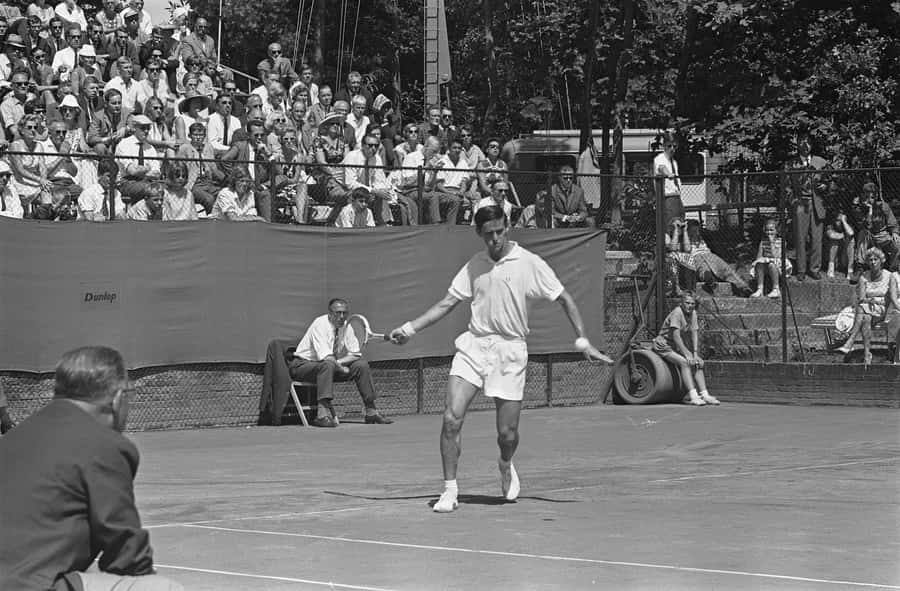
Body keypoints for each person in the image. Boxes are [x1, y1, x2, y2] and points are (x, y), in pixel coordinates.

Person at [388, 205, 611, 513]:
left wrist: (582, 341)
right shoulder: (474, 265)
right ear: (479, 234)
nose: (495, 238)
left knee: (507, 434)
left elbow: (564, 298)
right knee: (451, 418)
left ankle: (506, 464)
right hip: (474, 346)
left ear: (507, 227)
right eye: (488, 233)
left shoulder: (529, 263)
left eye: (500, 231)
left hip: (510, 352)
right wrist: (409, 329)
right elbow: (447, 303)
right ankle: (450, 490)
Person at [0, 345, 184, 591]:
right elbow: (125, 551)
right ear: (118, 399)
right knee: (161, 588)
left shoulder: (15, 438)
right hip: (27, 585)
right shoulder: (105, 445)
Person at [289, 298, 393, 427]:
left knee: (361, 365)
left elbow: (355, 354)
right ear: (330, 313)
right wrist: (340, 367)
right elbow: (326, 358)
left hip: (326, 367)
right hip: (302, 366)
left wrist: (338, 363)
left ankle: (371, 413)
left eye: (344, 313)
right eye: (338, 312)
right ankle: (322, 415)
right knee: (327, 365)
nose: (341, 316)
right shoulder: (320, 324)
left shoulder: (346, 326)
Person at [652, 291, 719, 406]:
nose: (690, 305)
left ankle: (705, 395)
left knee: (698, 362)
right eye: (687, 303)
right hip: (663, 345)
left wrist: (695, 353)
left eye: (692, 303)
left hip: (675, 346)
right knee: (685, 363)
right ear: (681, 303)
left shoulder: (693, 313)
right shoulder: (677, 313)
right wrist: (687, 354)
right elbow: (676, 336)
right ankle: (693, 396)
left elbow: (694, 333)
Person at [837, 247, 891, 366]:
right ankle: (867, 355)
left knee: (862, 309)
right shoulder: (863, 277)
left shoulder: (889, 276)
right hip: (867, 308)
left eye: (875, 259)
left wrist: (876, 302)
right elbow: (861, 298)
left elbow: (890, 298)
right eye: (870, 260)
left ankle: (850, 341)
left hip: (882, 309)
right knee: (865, 317)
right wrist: (869, 300)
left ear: (881, 261)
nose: (872, 262)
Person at [787, 132, 828, 281]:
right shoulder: (791, 164)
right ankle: (801, 269)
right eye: (802, 142)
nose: (805, 145)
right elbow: (786, 187)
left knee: (817, 238)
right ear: (797, 144)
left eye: (808, 142)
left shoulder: (821, 162)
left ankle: (814, 268)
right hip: (800, 204)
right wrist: (794, 202)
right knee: (800, 238)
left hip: (817, 204)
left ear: (812, 145)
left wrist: (826, 186)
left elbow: (832, 182)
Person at [751, 218, 791, 298]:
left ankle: (776, 289)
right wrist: (761, 261)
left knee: (772, 264)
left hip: (779, 265)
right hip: (766, 263)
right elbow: (759, 257)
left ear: (776, 231)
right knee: (759, 264)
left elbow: (776, 256)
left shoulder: (781, 241)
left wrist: (771, 242)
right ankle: (760, 289)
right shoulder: (763, 242)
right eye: (767, 230)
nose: (769, 232)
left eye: (772, 230)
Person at [653, 131, 683, 230]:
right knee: (672, 227)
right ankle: (669, 244)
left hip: (677, 197)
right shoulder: (659, 158)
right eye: (669, 146)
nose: (672, 149)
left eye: (674, 146)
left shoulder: (674, 162)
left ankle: (677, 245)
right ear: (664, 146)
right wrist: (668, 174)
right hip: (667, 198)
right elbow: (662, 167)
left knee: (681, 225)